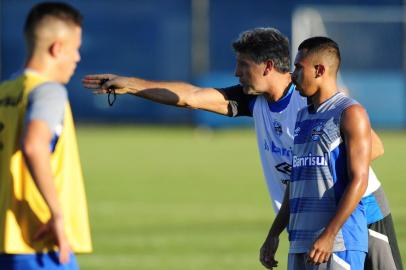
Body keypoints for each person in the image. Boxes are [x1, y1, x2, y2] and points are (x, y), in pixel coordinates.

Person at [82, 28, 402, 270]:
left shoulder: (310, 99)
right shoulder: (253, 100)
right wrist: (130, 85)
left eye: (242, 65)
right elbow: (191, 96)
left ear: (266, 66)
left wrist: (310, 167)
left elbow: (373, 146)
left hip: (359, 214)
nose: (236, 73)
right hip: (305, 221)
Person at [0, 2, 92, 269]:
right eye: (75, 50)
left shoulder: (5, 91)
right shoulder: (48, 91)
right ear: (57, 48)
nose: (77, 58)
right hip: (37, 238)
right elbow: (34, 145)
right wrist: (57, 215)